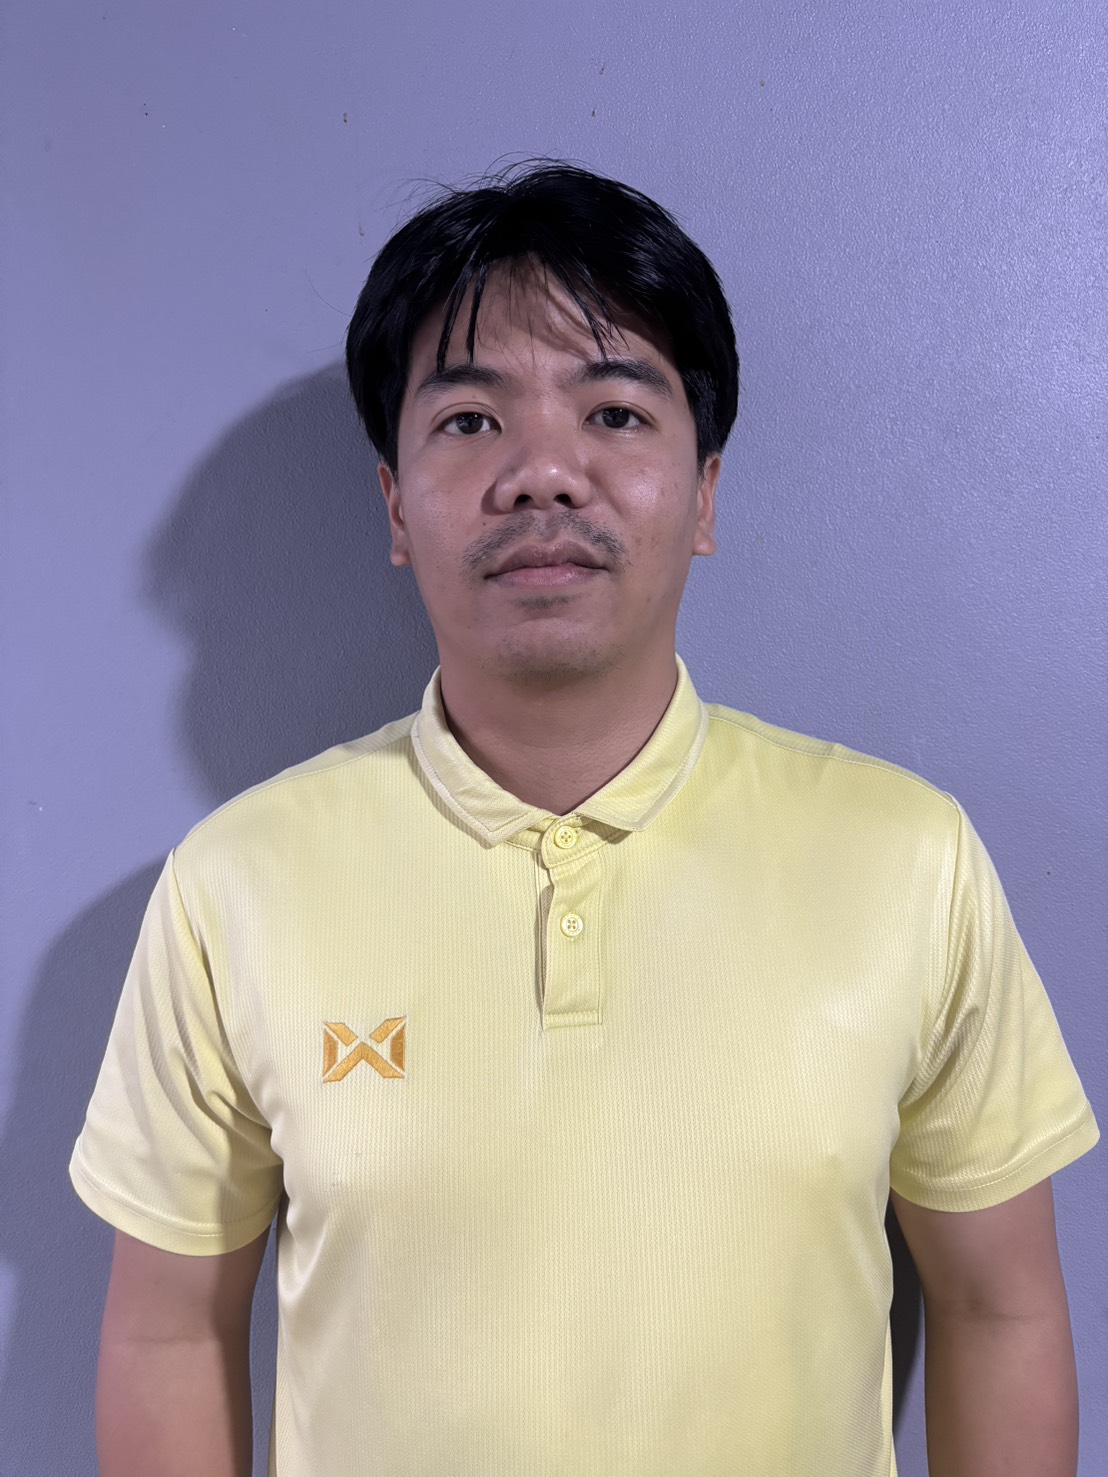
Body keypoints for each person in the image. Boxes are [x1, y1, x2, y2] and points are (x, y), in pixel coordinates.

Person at [71, 162, 1098, 1477]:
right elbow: (166, 1332)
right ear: (394, 504)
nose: (543, 474)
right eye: (470, 421)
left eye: (614, 412)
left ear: (705, 493)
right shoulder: (238, 883)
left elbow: (1000, 1307)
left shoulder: (911, 858)